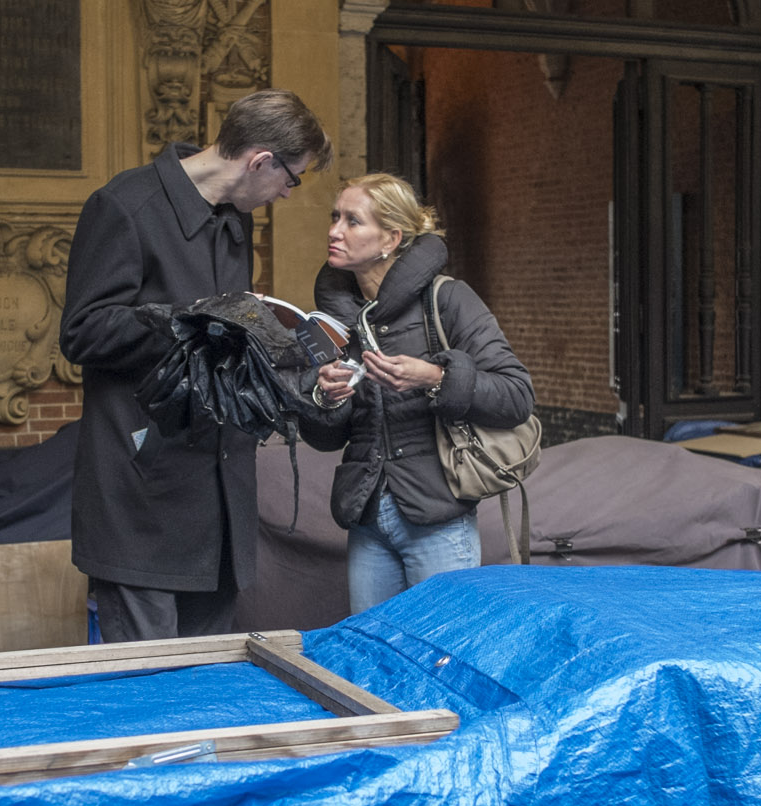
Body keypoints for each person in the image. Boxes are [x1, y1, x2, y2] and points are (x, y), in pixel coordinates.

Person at [59, 89, 332, 643]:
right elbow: (82, 332)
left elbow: (217, 351)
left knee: (207, 680)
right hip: (141, 493)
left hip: (218, 493)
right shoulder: (123, 206)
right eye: (291, 179)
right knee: (149, 689)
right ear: (260, 161)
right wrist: (189, 318)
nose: (286, 193)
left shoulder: (232, 220)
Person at [303, 174, 534, 614]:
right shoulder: (335, 319)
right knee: (372, 655)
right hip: (367, 518)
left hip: (438, 520)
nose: (334, 231)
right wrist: (325, 396)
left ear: (391, 238)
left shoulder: (447, 299)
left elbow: (517, 395)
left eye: (353, 221)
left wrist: (435, 377)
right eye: (335, 217)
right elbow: (326, 437)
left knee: (441, 659)